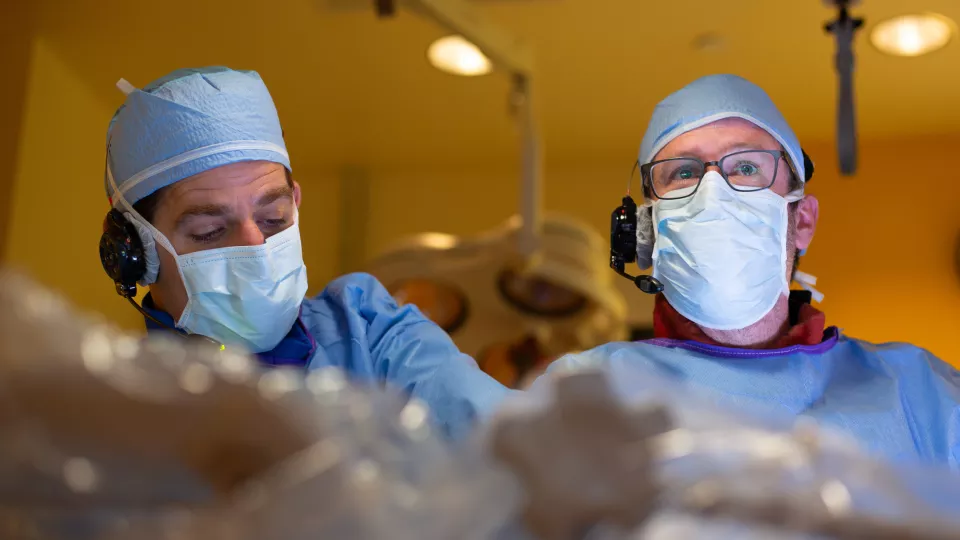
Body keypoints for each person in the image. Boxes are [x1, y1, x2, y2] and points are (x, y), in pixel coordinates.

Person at [542, 74, 960, 468]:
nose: (713, 193)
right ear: (647, 230)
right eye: (683, 173)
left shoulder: (923, 398)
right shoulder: (583, 396)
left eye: (745, 168)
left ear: (803, 222)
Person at [99, 66, 510, 439]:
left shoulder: (368, 332)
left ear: (295, 203)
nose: (256, 248)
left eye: (273, 218)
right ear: (135, 250)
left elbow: (504, 434)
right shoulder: (114, 420)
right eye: (209, 232)